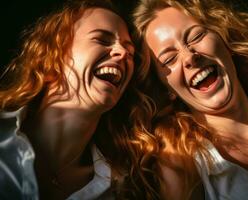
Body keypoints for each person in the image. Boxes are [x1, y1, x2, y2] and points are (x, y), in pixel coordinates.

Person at [133, 0, 248, 199]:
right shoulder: (182, 168)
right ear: (167, 89)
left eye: (196, 36)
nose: (189, 57)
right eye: (169, 60)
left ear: (224, 40)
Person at [0, 0, 151, 199]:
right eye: (102, 40)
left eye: (130, 52)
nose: (123, 53)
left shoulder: (121, 190)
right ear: (53, 54)